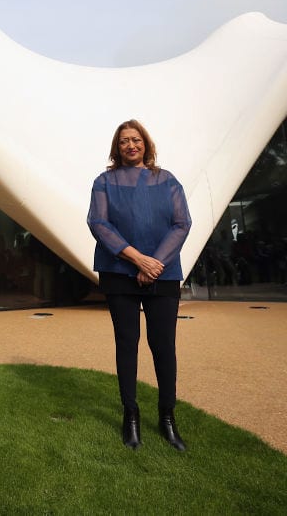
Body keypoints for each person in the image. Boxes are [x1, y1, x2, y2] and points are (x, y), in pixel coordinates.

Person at [87, 119, 192, 451]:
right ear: (116, 148)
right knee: (126, 344)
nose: (130, 145)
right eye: (123, 142)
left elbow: (182, 223)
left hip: (162, 273)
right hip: (120, 273)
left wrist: (154, 263)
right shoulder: (104, 182)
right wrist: (138, 260)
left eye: (135, 140)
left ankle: (167, 417)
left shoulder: (167, 180)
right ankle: (130, 416)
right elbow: (98, 223)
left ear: (146, 143)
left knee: (163, 347)